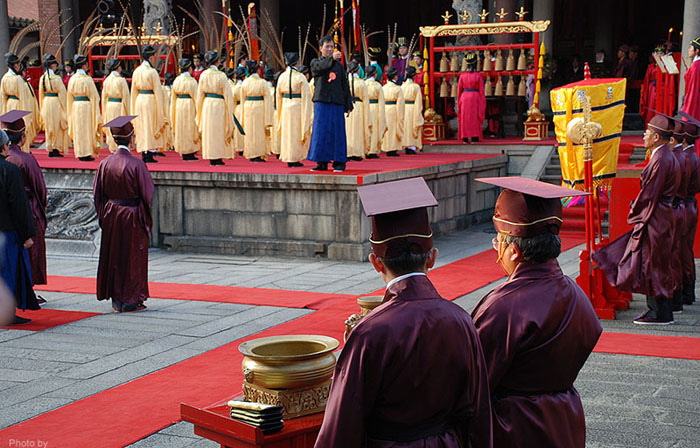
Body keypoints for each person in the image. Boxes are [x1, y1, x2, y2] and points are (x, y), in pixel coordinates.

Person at [315, 177, 493, 448]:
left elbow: (343, 421)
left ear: (375, 262)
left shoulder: (371, 330)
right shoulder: (461, 319)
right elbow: (478, 409)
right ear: (431, 257)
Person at [473, 176, 602, 448]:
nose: (497, 251)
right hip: (564, 417)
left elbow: (475, 380)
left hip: (516, 425)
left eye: (499, 242)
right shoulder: (576, 294)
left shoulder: (505, 305)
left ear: (515, 250)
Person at [593, 115, 681, 324]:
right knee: (657, 262)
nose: (644, 136)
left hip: (656, 215)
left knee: (653, 263)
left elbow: (649, 193)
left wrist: (634, 208)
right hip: (662, 214)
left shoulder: (660, 159)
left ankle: (659, 312)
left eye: (647, 132)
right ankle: (660, 310)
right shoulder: (666, 156)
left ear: (657, 136)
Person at [93, 116, 154, 313]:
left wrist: (105, 214)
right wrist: (144, 217)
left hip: (112, 213)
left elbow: (97, 194)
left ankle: (116, 297)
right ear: (131, 137)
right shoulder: (136, 165)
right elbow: (147, 194)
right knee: (132, 256)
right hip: (132, 214)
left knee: (114, 255)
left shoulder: (105, 164)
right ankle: (130, 298)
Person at [2, 110, 47, 287]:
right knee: (29, 251)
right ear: (22, 136)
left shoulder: (8, 160)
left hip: (5, 215)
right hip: (27, 209)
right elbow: (40, 189)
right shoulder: (25, 159)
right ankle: (26, 289)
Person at [0, 128, 39, 324]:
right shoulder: (10, 170)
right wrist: (27, 234)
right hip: (7, 230)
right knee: (7, 272)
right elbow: (18, 205)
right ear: (3, 147)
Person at [308, 35, 353, 172]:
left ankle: (339, 162)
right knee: (320, 131)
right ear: (321, 48)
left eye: (331, 47)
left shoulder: (339, 66)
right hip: (322, 102)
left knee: (337, 132)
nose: (329, 49)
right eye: (327, 46)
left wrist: (348, 103)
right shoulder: (316, 62)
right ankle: (321, 161)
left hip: (336, 102)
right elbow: (320, 68)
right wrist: (331, 59)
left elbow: (344, 85)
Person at [195, 50, 235, 166]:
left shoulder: (203, 75)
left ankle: (210, 155)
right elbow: (227, 94)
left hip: (207, 104)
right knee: (218, 130)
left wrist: (199, 111)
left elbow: (200, 95)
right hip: (219, 104)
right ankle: (217, 156)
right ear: (217, 62)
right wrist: (230, 111)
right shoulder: (221, 75)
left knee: (209, 130)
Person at [130, 46, 166, 163]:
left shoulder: (137, 71)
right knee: (150, 125)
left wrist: (133, 107)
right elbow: (158, 91)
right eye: (154, 56)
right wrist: (161, 110)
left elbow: (133, 91)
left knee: (142, 125)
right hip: (150, 100)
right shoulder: (152, 72)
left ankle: (143, 151)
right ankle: (149, 152)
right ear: (151, 57)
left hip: (139, 100)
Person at [276, 52, 312, 167]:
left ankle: (288, 156)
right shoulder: (301, 77)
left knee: (288, 132)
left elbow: (278, 96)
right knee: (296, 131)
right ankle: (295, 157)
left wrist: (279, 111)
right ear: (297, 62)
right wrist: (308, 112)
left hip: (286, 106)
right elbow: (307, 96)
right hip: (297, 106)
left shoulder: (282, 76)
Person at [670, 119, 690, 313]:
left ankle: (676, 298)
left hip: (674, 207)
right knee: (682, 252)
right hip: (685, 204)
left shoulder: (674, 158)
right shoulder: (687, 156)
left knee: (672, 256)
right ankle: (685, 293)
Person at [1, 52, 38, 152]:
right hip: (18, 104)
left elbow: (2, 97)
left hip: (9, 104)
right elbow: (24, 97)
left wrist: (3, 112)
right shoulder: (18, 79)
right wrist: (28, 116)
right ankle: (22, 150)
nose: (18, 66)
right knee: (19, 128)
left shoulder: (4, 78)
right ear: (13, 66)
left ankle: (10, 150)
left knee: (10, 129)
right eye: (16, 64)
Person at [67, 54, 101, 161]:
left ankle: (80, 152)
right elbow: (95, 96)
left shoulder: (72, 79)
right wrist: (96, 111)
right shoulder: (87, 79)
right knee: (86, 129)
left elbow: (69, 96)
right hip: (86, 106)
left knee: (78, 129)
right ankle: (86, 152)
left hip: (75, 106)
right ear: (83, 66)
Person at [681, 118, 699, 305]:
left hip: (683, 205)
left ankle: (686, 291)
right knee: (685, 250)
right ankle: (688, 290)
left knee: (682, 251)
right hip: (689, 204)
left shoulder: (686, 158)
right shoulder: (693, 156)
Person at [240, 60, 273, 162]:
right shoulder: (262, 83)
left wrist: (242, 114)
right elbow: (268, 99)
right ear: (258, 70)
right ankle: (258, 154)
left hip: (248, 107)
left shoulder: (245, 82)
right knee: (259, 131)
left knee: (250, 130)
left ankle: (251, 153)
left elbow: (242, 99)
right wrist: (268, 118)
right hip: (260, 107)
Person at [38, 53, 68, 157]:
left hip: (46, 102)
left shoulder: (42, 78)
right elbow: (63, 94)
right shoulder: (56, 78)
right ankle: (55, 147)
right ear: (52, 65)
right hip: (55, 102)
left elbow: (40, 94)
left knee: (49, 126)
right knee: (57, 126)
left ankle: (50, 146)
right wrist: (65, 109)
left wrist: (41, 108)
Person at [170, 58, 200, 161]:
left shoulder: (176, 80)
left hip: (178, 104)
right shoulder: (192, 81)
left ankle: (182, 150)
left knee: (181, 127)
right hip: (189, 105)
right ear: (190, 69)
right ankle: (189, 151)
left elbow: (173, 97)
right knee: (189, 127)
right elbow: (197, 97)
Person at [101, 58, 130, 152]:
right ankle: (119, 146)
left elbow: (104, 97)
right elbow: (126, 96)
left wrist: (104, 109)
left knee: (111, 125)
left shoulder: (106, 80)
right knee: (119, 126)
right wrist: (128, 111)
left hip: (109, 105)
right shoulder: (121, 80)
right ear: (118, 68)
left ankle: (112, 147)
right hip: (118, 105)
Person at [457, 53, 485, 144]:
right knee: (474, 117)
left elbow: (459, 90)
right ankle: (474, 137)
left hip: (464, 97)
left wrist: (458, 102)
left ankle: (464, 137)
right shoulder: (478, 76)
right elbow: (481, 90)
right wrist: (482, 102)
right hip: (475, 97)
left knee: (464, 117)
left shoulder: (462, 76)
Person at [345, 60, 369, 161]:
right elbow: (365, 98)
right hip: (358, 106)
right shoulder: (362, 83)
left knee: (347, 130)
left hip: (347, 106)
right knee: (357, 130)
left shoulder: (345, 81)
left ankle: (347, 152)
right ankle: (357, 152)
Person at [380, 67, 404, 157]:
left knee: (386, 128)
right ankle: (392, 148)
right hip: (394, 109)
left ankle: (385, 147)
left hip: (385, 108)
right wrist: (400, 115)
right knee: (393, 128)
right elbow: (400, 104)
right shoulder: (398, 89)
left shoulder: (383, 88)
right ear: (395, 77)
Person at [364, 65, 386, 159]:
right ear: (375, 74)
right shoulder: (378, 85)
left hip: (364, 107)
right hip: (375, 107)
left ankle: (365, 148)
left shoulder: (363, 84)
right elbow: (381, 100)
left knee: (365, 127)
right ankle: (372, 150)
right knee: (375, 128)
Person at [401, 66, 424, 155]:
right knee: (412, 125)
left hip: (404, 108)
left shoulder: (402, 86)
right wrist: (418, 111)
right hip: (413, 107)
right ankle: (412, 146)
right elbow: (418, 101)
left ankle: (405, 144)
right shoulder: (416, 87)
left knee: (405, 126)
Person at [680, 37, 700, 121]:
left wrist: (688, 108)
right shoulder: (696, 64)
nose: (688, 49)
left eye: (691, 48)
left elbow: (693, 89)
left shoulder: (696, 66)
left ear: (697, 51)